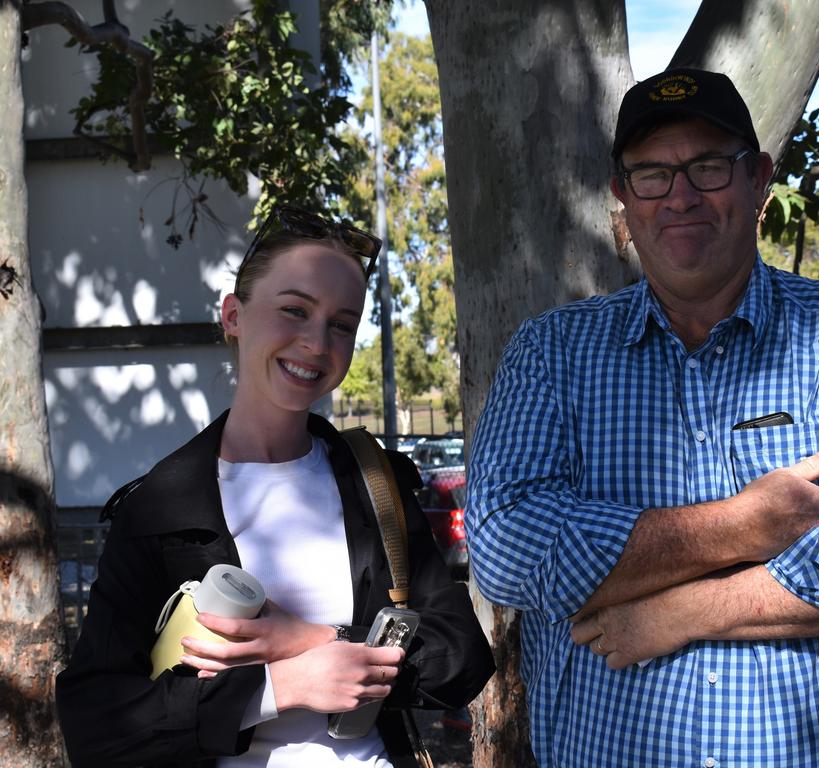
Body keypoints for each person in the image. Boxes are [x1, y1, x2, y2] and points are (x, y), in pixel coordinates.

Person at [466, 68, 819, 767]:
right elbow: (505, 548)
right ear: (622, 194)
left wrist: (690, 612)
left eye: (708, 168)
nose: (680, 196)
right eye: (652, 173)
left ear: (759, 177)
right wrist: (745, 526)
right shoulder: (551, 353)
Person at [56, 205, 494, 767]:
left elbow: (463, 658)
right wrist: (278, 688)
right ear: (233, 315)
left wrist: (315, 638)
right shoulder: (160, 509)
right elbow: (96, 724)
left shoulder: (373, 483)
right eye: (294, 310)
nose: (317, 342)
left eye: (342, 323)